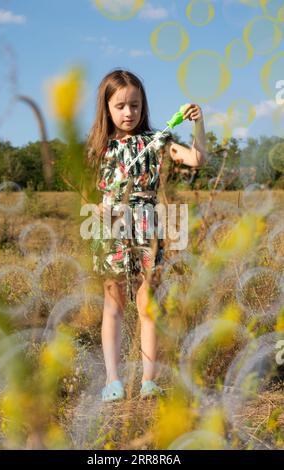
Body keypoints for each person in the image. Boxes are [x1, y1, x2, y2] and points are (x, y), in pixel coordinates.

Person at [86, 69, 206, 402]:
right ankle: (113, 380)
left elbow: (196, 158)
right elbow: (88, 194)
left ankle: (148, 381)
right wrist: (98, 209)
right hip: (111, 230)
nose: (128, 113)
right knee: (113, 306)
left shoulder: (157, 141)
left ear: (143, 106)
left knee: (147, 307)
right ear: (107, 108)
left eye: (135, 105)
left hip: (148, 228)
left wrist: (197, 122)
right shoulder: (99, 148)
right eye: (120, 106)